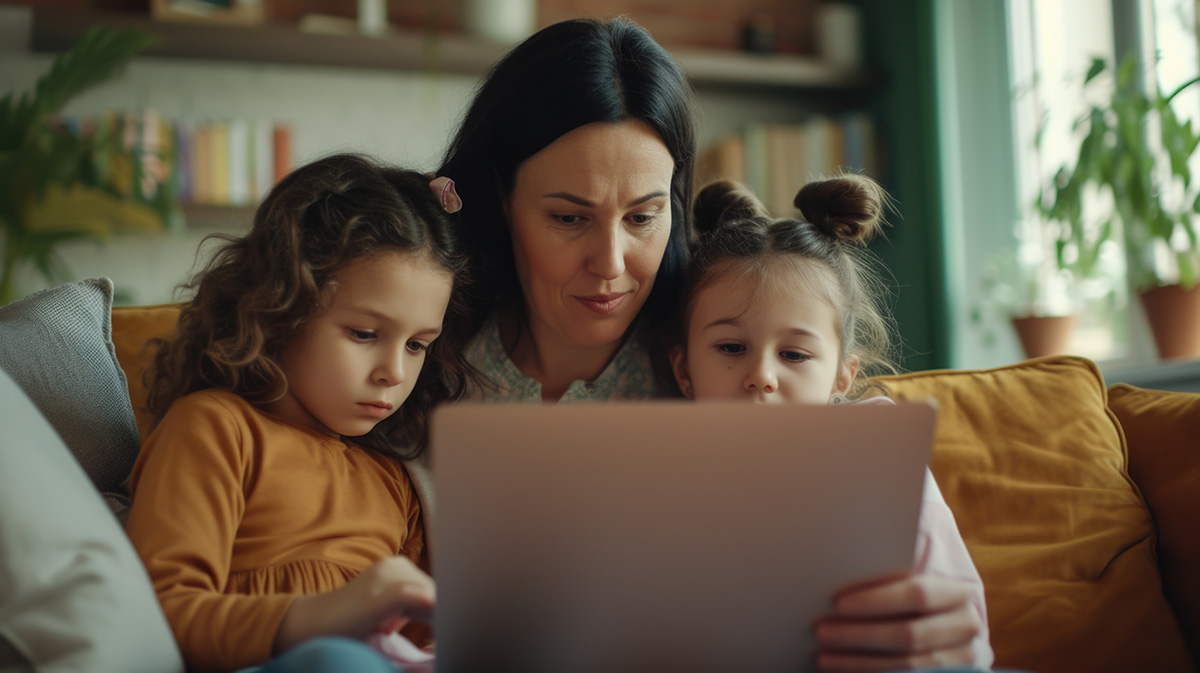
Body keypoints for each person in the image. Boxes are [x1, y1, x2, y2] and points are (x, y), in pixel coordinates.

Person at [425, 14, 989, 673]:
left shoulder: (727, 355)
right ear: (501, 197)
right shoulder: (415, 360)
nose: (611, 263)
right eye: (569, 217)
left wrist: (954, 639)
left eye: (643, 215)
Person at [124, 153, 475, 672]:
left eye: (418, 345)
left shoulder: (393, 480)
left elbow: (418, 636)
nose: (393, 372)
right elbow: (164, 614)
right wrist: (321, 616)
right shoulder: (216, 428)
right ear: (280, 307)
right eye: (363, 334)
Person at [667, 176, 994, 671]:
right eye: (732, 348)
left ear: (843, 375)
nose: (761, 377)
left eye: (795, 354)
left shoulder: (883, 464)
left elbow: (963, 628)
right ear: (684, 370)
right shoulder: (655, 470)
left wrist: (946, 652)